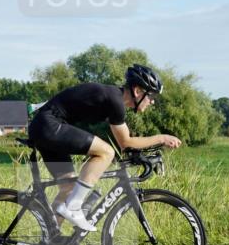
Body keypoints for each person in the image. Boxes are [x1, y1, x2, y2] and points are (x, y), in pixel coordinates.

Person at [27, 64, 181, 232]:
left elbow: (127, 144)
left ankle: (50, 241)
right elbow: (126, 143)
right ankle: (74, 207)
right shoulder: (115, 100)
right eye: (151, 96)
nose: (152, 101)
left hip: (44, 126)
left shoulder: (114, 99)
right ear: (137, 91)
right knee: (107, 152)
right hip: (49, 125)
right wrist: (162, 138)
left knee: (69, 188)